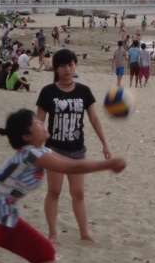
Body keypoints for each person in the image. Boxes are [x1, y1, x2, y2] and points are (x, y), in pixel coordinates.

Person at [0, 109, 126, 263]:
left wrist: (107, 164)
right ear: (27, 137)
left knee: (43, 251)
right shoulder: (33, 153)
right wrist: (108, 164)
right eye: (35, 122)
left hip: (7, 218)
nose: (41, 123)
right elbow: (74, 168)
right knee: (43, 251)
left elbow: (73, 163)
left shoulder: (39, 152)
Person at [36, 48, 113, 244]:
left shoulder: (84, 91)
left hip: (77, 150)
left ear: (75, 66)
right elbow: (39, 123)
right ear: (57, 68)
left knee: (78, 194)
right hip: (54, 150)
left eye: (70, 65)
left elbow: (94, 118)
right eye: (62, 66)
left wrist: (105, 143)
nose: (67, 69)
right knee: (54, 192)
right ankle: (53, 234)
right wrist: (35, 148)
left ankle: (84, 233)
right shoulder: (48, 92)